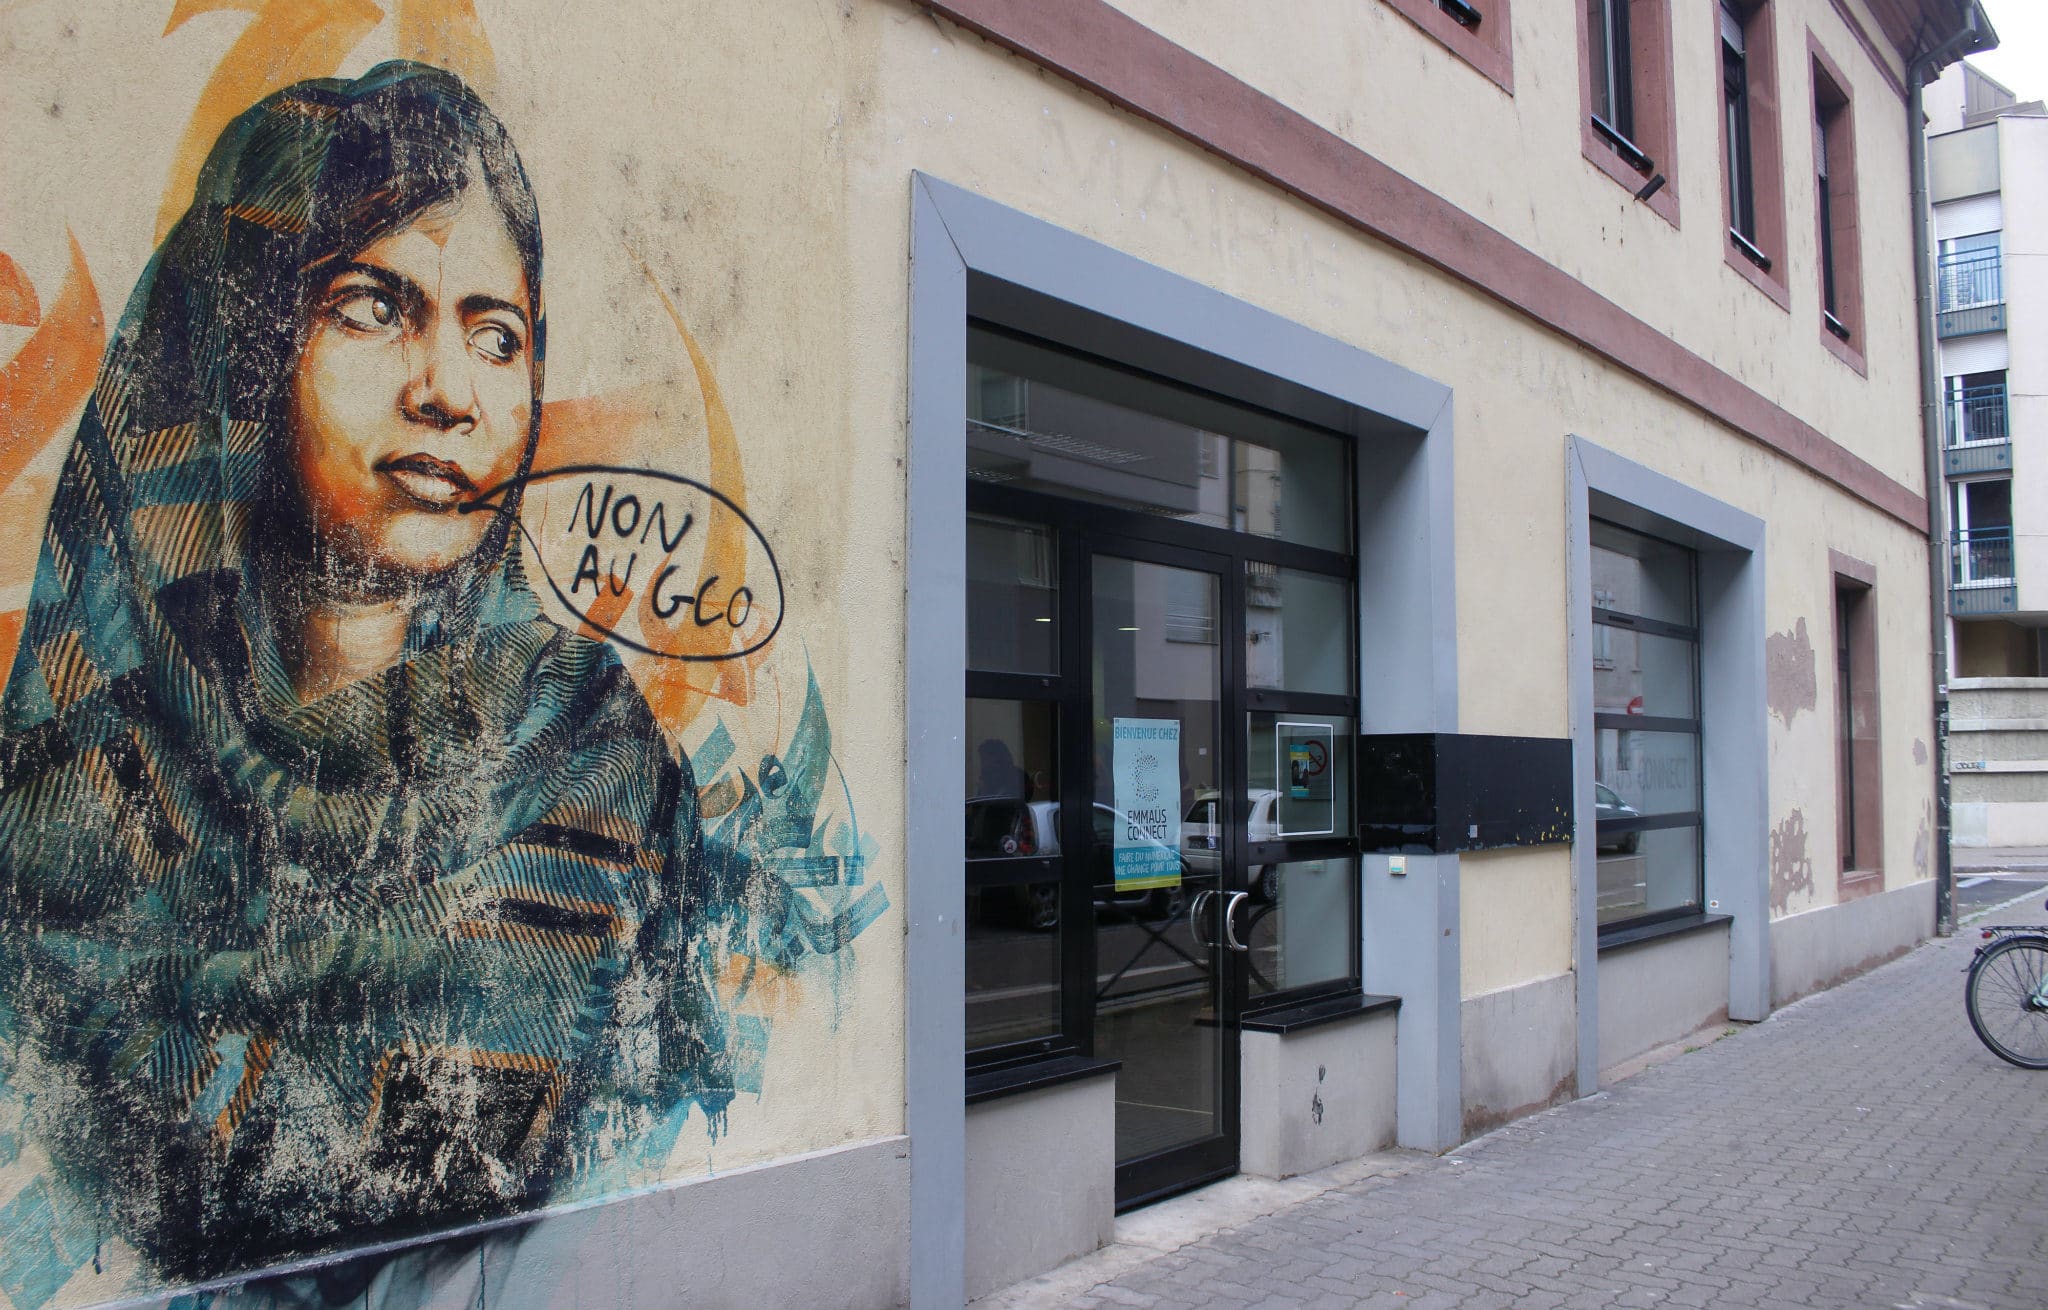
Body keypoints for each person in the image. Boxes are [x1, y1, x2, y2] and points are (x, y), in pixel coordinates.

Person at [0, 63, 752, 1283]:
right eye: (369, 307)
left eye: (494, 335)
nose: (448, 392)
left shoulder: (593, 764)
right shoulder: (72, 807)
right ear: (243, 346)